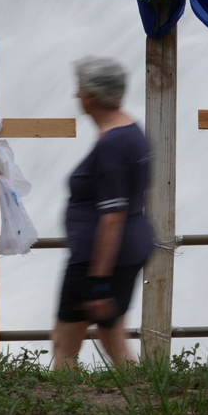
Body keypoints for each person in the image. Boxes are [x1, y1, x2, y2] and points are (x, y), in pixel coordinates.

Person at [53, 56, 153, 367]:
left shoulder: (113, 143)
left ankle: (62, 396)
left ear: (94, 96)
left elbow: (112, 217)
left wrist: (98, 282)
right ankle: (143, 393)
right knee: (113, 338)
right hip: (129, 249)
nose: (76, 95)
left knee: (64, 346)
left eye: (81, 89)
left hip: (97, 258)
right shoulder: (132, 131)